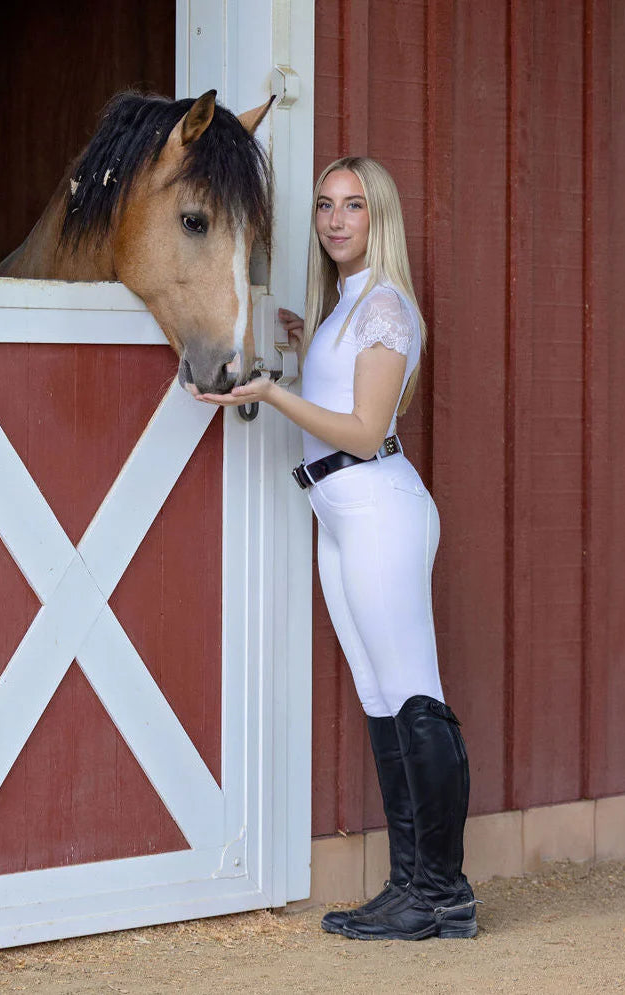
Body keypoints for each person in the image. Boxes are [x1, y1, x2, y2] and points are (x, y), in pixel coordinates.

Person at [193, 157, 479, 941]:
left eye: (353, 206)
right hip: (339, 514)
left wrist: (272, 392)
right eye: (324, 205)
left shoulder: (386, 307)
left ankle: (445, 894)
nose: (335, 219)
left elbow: (361, 428)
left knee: (416, 694)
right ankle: (410, 884)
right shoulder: (344, 308)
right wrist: (298, 339)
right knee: (382, 701)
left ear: (377, 216)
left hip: (379, 511)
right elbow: (337, 383)